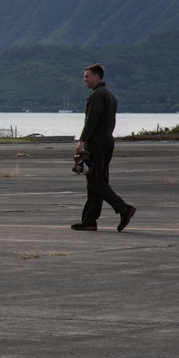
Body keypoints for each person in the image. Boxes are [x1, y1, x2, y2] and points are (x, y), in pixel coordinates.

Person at [72, 63, 137, 232]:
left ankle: (124, 209)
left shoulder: (97, 95)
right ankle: (89, 221)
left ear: (96, 77)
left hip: (97, 142)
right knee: (96, 180)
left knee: (95, 180)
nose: (84, 80)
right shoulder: (110, 95)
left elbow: (91, 121)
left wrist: (82, 141)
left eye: (87, 76)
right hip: (107, 139)